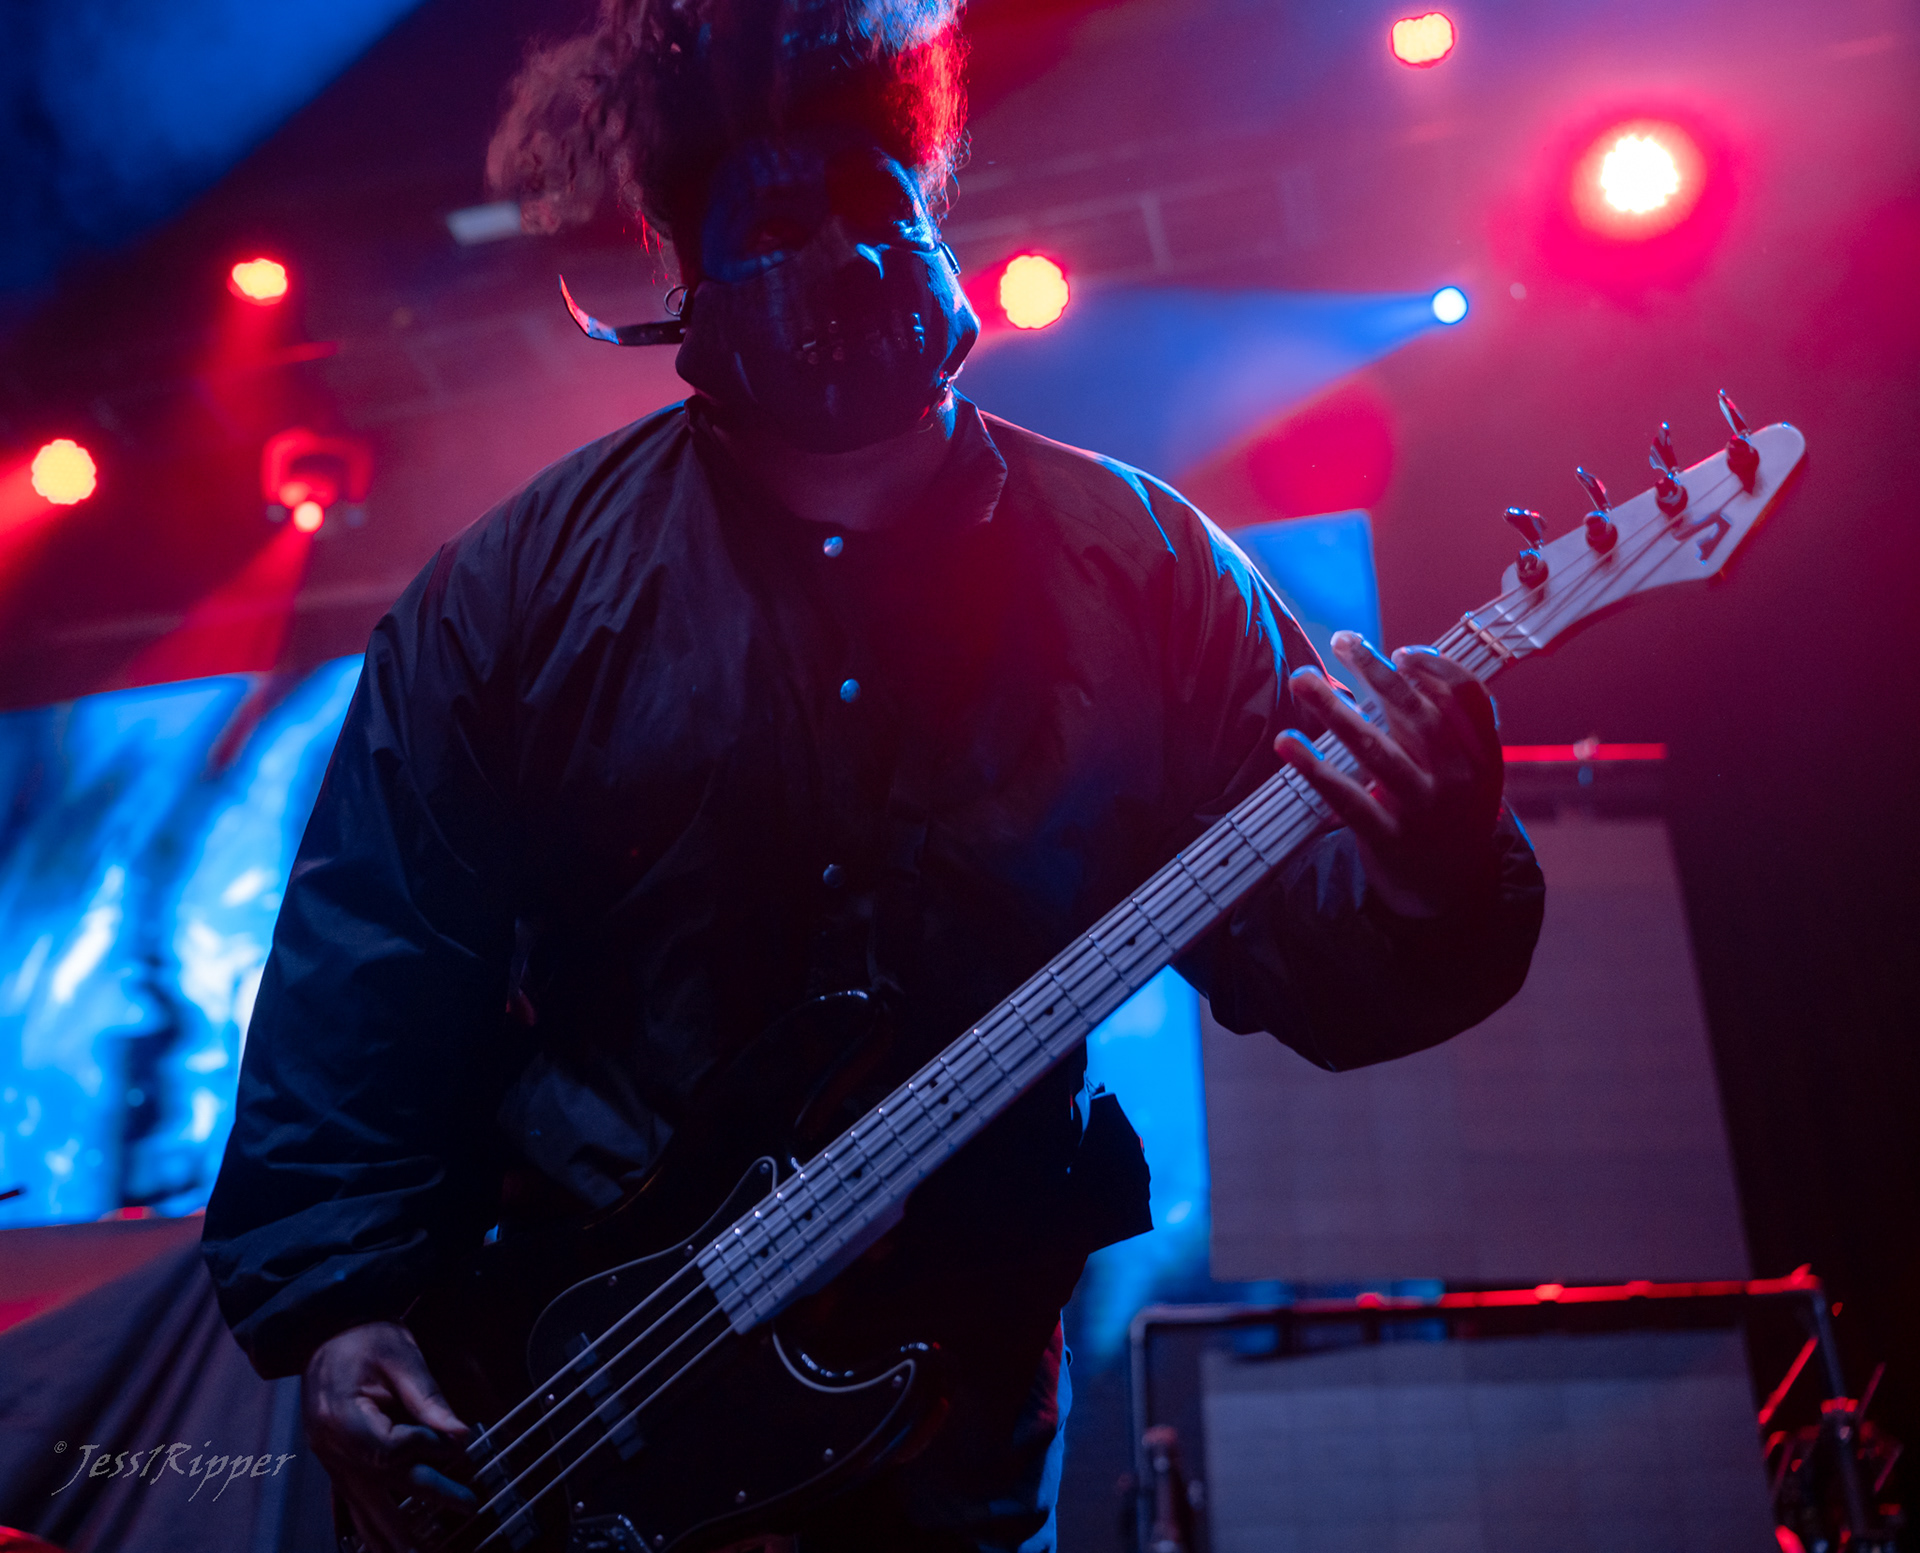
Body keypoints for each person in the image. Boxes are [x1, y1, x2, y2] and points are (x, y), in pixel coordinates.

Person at [201, 3, 1545, 1549]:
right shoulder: (512, 595)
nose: (838, 257)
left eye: (873, 204)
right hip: (562, 1399)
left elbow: (1311, 956)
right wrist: (343, 1308)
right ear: (685, 278)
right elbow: (371, 959)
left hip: (949, 1429)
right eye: (775, 223)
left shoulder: (1146, 571)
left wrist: (1435, 865)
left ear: (936, 222)